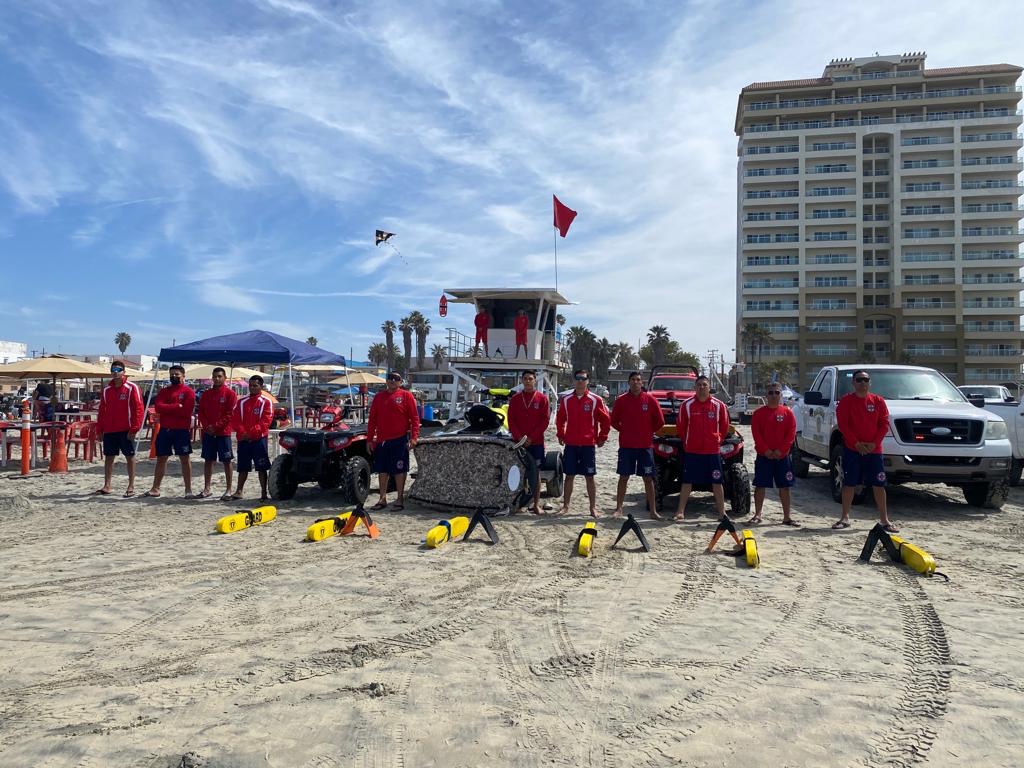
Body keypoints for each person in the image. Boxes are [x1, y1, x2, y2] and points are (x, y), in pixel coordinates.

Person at [832, 370, 897, 532]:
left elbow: (884, 424)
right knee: (849, 483)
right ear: (853, 382)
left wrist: (874, 444)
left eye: (866, 380)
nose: (863, 383)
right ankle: (845, 518)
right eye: (859, 380)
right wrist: (856, 443)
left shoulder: (878, 401)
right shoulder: (846, 401)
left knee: (878, 484)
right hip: (852, 450)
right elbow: (843, 425)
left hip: (874, 451)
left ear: (870, 383)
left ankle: (884, 520)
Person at [674, 375, 729, 522]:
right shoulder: (687, 405)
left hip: (712, 451)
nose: (702, 387)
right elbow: (681, 426)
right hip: (692, 451)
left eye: (704, 385)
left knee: (717, 482)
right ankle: (680, 511)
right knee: (687, 481)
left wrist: (718, 440)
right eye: (699, 385)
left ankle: (722, 513)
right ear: (695, 387)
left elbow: (724, 426)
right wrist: (687, 442)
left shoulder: (719, 405)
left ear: (709, 386)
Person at [610, 371, 665, 519]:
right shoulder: (621, 401)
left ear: (642, 383)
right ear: (629, 382)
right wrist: (625, 430)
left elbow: (660, 421)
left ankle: (653, 511)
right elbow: (613, 420)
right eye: (633, 380)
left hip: (645, 446)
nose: (635, 382)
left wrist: (647, 431)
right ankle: (619, 508)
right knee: (624, 477)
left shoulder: (650, 400)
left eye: (638, 380)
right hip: (627, 446)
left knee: (648, 478)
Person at [556, 369, 610, 517]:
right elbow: (560, 419)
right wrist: (561, 434)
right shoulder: (566, 400)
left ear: (587, 381)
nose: (580, 381)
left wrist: (602, 437)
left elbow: (606, 420)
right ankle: (566, 506)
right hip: (571, 443)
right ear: (574, 381)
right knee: (569, 476)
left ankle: (592, 508)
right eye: (578, 378)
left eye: (583, 378)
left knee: (590, 476)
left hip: (588, 444)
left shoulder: (595, 400)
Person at [367, 371, 420, 510]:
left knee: (399, 470)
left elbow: (414, 418)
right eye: (389, 378)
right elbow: (372, 420)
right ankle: (382, 498)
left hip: (400, 439)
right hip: (382, 440)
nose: (392, 380)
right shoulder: (379, 397)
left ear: (400, 381)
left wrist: (414, 437)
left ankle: (399, 499)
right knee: (382, 470)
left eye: (395, 379)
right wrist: (369, 439)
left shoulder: (406, 395)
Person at [142, 365, 197, 498]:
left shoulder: (189, 392)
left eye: (177, 374)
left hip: (181, 430)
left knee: (184, 459)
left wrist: (170, 409)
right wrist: (176, 406)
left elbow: (186, 411)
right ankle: (155, 488)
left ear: (183, 376)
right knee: (161, 458)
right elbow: (159, 407)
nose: (174, 376)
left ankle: (188, 490)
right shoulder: (164, 391)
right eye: (171, 374)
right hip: (165, 429)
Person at [749, 384, 799, 526]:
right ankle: (757, 515)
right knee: (760, 485)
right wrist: (766, 450)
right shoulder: (758, 413)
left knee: (784, 487)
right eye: (770, 392)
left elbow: (791, 434)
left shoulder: (787, 413)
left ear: (780, 395)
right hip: (764, 456)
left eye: (776, 392)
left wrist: (781, 451)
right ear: (766, 395)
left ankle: (787, 517)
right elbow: (756, 434)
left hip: (782, 457)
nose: (773, 395)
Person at [94, 360, 144, 497]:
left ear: (124, 372)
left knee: (130, 457)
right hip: (110, 429)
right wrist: (100, 429)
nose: (115, 373)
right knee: (109, 457)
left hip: (126, 429)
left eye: (118, 370)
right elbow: (102, 412)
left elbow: (138, 409)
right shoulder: (106, 390)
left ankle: (131, 486)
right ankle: (107, 485)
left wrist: (135, 428)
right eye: (113, 370)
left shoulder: (132, 387)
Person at [507, 370, 550, 514]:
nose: (527, 381)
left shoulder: (542, 399)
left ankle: (536, 504)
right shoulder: (515, 399)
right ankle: (520, 504)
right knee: (519, 473)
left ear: (535, 381)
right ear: (522, 380)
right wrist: (520, 437)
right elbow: (511, 420)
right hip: (519, 442)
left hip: (536, 442)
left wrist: (531, 437)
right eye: (525, 379)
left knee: (536, 473)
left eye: (530, 379)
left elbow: (545, 421)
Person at [230, 375, 275, 501]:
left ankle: (263, 492)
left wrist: (251, 433)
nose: (252, 388)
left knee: (262, 467)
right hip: (243, 439)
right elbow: (235, 419)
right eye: (250, 385)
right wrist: (243, 432)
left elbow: (266, 421)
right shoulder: (241, 402)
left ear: (261, 386)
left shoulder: (266, 402)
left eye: (255, 385)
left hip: (259, 439)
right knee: (243, 467)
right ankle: (239, 491)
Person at [198, 367, 238, 500]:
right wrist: (206, 426)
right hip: (208, 432)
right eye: (214, 376)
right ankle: (207, 488)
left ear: (224, 378)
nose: (216, 378)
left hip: (223, 433)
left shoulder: (230, 394)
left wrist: (216, 426)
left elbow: (230, 414)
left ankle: (228, 490)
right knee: (208, 460)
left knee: (227, 461)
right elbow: (201, 412)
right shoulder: (206, 394)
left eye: (219, 376)